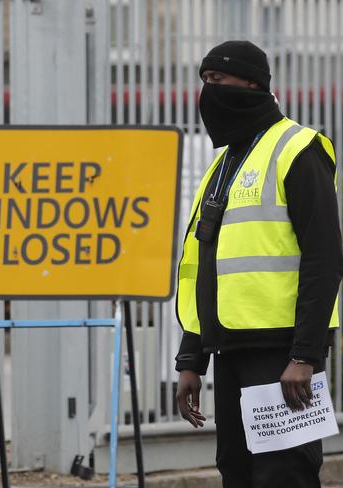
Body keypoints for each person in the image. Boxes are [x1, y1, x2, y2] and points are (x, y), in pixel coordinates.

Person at [174, 40, 343, 488]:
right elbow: (205, 267)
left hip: (283, 358)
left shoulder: (299, 148)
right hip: (229, 349)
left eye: (217, 80)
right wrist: (191, 358)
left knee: (284, 475)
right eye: (204, 82)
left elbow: (325, 259)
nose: (208, 92)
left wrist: (305, 354)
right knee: (238, 471)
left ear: (252, 84)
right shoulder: (222, 166)